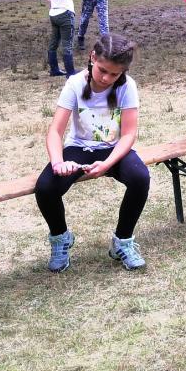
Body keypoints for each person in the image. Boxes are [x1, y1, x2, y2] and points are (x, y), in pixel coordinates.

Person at [34, 33, 150, 272]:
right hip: (80, 148)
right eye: (102, 70)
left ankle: (122, 241)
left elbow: (129, 134)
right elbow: (55, 131)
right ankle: (60, 238)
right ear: (92, 57)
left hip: (113, 149)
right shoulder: (75, 83)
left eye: (114, 74)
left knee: (140, 177)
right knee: (45, 188)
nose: (106, 78)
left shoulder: (127, 86)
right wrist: (58, 163)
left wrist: (107, 164)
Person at [44, 0, 81, 77]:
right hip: (65, 15)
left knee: (53, 43)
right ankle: (70, 72)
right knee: (67, 44)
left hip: (53, 14)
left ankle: (54, 69)